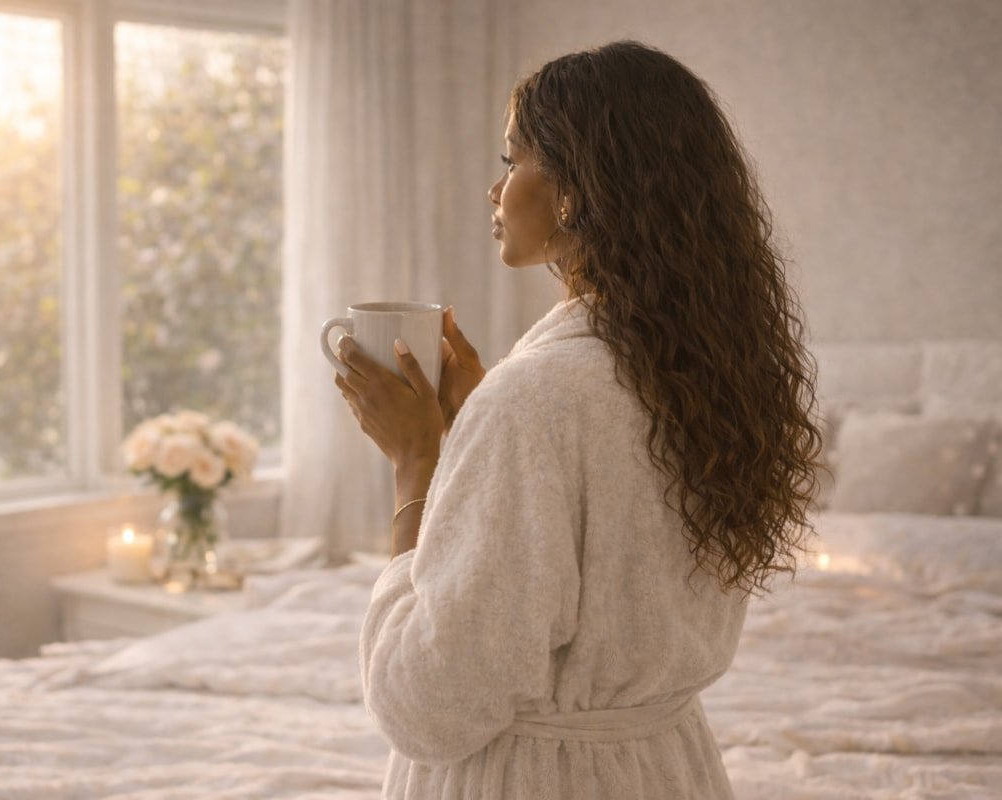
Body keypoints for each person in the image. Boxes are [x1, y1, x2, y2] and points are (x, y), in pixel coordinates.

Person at [333, 40, 824, 799]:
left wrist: (418, 463)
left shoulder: (534, 403)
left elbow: (426, 708)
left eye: (511, 161)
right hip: (667, 769)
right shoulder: (704, 374)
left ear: (572, 187)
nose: (494, 189)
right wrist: (478, 430)